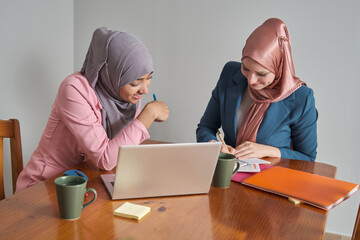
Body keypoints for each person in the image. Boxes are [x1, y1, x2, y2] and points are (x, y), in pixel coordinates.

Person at [16, 27, 169, 192]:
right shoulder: (74, 89)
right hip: (44, 187)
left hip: (86, 181)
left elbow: (122, 153)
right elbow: (105, 158)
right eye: (135, 82)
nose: (144, 90)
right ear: (111, 73)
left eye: (148, 79)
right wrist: (148, 115)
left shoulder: (126, 98)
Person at [196, 18, 317, 161]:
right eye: (246, 68)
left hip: (271, 179)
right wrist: (215, 146)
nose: (251, 80)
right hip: (229, 174)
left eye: (261, 74)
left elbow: (308, 158)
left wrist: (269, 151)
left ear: (279, 68)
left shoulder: (302, 98)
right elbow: (205, 127)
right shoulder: (229, 74)